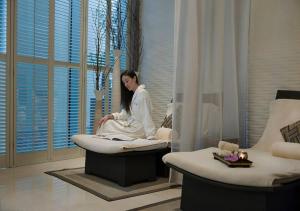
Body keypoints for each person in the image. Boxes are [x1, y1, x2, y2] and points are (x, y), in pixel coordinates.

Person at [96, 70, 156, 139]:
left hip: (137, 130)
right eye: (124, 83)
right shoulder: (133, 95)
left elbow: (147, 115)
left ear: (134, 78)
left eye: (127, 81)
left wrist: (150, 135)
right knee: (107, 122)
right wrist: (110, 116)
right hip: (131, 126)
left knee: (108, 125)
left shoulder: (142, 94)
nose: (126, 85)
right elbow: (125, 114)